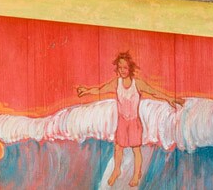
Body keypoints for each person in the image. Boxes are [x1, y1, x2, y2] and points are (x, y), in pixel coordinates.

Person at [75, 51, 183, 187]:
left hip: (134, 122)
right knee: (118, 148)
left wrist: (169, 98)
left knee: (136, 149)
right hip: (122, 122)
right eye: (120, 67)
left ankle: (137, 174)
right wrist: (87, 90)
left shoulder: (137, 83)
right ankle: (116, 170)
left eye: (125, 68)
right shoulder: (116, 83)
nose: (122, 70)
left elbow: (154, 92)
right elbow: (100, 89)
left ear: (130, 68)